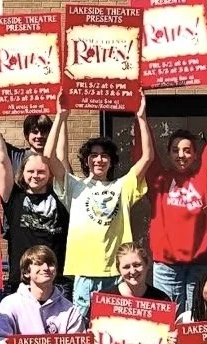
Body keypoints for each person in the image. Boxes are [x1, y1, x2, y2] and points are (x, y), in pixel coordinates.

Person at [46, 92, 154, 320]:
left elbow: (147, 158)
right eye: (93, 156)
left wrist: (142, 117)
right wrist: (60, 117)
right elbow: (49, 157)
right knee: (83, 327)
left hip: (118, 272)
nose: (99, 160)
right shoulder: (74, 186)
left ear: (112, 161)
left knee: (119, 326)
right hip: (85, 273)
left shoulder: (122, 186)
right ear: (87, 160)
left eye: (104, 156)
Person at [147, 70, 207, 311]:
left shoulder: (204, 178)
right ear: (168, 153)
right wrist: (140, 111)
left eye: (186, 150)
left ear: (195, 154)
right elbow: (144, 149)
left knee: (198, 318)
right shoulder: (159, 179)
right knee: (169, 319)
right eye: (175, 150)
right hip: (166, 266)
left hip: (201, 265)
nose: (181, 155)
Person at [0, 100, 70, 299]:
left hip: (58, 282)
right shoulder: (13, 197)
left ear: (50, 174)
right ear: (22, 172)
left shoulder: (61, 195)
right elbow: (3, 158)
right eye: (31, 171)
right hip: (22, 282)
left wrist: (61, 117)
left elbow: (62, 157)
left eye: (41, 171)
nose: (36, 175)